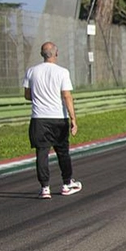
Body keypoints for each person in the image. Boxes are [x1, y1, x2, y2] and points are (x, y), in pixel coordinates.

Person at [23, 41, 81, 199]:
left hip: (39, 119)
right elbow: (67, 96)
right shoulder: (62, 72)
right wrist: (73, 119)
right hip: (58, 118)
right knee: (63, 152)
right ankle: (66, 182)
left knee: (41, 153)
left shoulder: (31, 71)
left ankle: (45, 187)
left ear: (42, 54)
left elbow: (27, 95)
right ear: (56, 53)